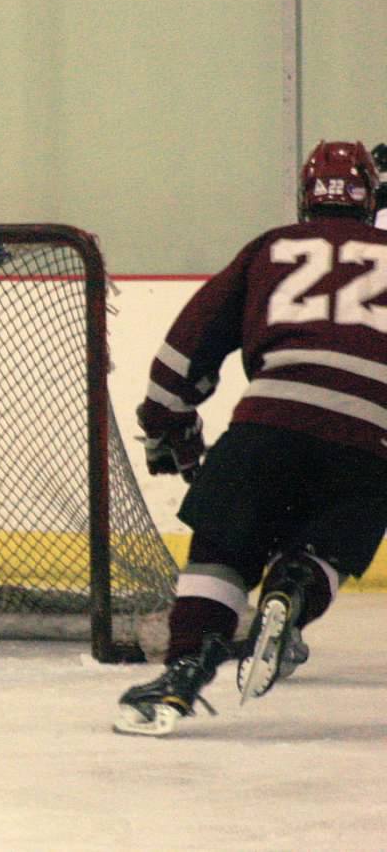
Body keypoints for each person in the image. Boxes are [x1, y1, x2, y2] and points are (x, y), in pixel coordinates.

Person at [114, 140, 387, 737]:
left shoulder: (271, 248)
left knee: (222, 552)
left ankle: (183, 674)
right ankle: (294, 586)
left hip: (269, 424)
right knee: (325, 552)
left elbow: (184, 350)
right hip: (371, 440)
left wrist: (171, 430)